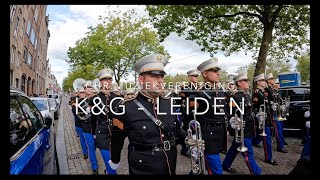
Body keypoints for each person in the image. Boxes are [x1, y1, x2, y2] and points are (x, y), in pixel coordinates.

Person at [108, 53, 187, 175]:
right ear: (141, 79)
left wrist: (188, 140)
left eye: (162, 76)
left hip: (169, 164)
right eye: (154, 76)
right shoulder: (126, 107)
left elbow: (175, 129)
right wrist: (115, 160)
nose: (160, 81)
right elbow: (117, 139)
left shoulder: (169, 103)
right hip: (142, 167)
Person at [188, 57, 229, 175]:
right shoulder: (198, 93)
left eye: (218, 71)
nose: (218, 74)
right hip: (207, 134)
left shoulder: (220, 91)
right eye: (215, 71)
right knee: (216, 169)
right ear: (205, 74)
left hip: (219, 132)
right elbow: (190, 116)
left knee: (199, 166)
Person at [222, 72, 262, 175]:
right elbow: (229, 112)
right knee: (249, 153)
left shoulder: (247, 95)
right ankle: (256, 172)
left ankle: (226, 165)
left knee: (234, 148)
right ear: (239, 83)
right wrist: (233, 121)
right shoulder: (234, 97)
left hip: (248, 128)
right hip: (242, 129)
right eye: (245, 81)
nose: (248, 83)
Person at [88, 68, 121, 175]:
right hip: (101, 132)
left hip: (115, 132)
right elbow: (93, 118)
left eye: (110, 80)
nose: (108, 82)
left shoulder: (117, 98)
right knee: (110, 164)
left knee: (114, 160)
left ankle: (107, 171)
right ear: (101, 82)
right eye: (105, 80)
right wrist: (93, 133)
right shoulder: (94, 99)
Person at [252, 73, 278, 165]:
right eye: (263, 80)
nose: (264, 82)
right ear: (258, 82)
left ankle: (253, 142)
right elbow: (255, 106)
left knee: (263, 136)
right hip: (262, 119)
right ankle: (268, 157)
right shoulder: (257, 93)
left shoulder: (262, 92)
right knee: (267, 139)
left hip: (267, 117)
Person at [74, 82, 99, 175]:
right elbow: (79, 116)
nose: (88, 89)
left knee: (97, 146)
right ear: (84, 90)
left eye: (90, 87)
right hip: (86, 128)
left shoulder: (97, 100)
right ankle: (94, 166)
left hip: (97, 128)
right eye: (86, 87)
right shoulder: (80, 102)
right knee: (91, 147)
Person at [178, 69, 200, 157]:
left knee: (195, 131)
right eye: (194, 76)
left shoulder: (199, 88)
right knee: (188, 130)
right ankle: (184, 149)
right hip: (188, 113)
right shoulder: (185, 88)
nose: (196, 78)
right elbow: (183, 101)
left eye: (196, 76)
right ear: (190, 78)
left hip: (197, 112)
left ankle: (193, 148)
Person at [265, 73, 287, 153]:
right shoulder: (267, 90)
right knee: (278, 130)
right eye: (272, 79)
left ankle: (282, 142)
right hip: (273, 113)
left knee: (280, 128)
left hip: (278, 112)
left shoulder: (273, 90)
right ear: (268, 81)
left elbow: (278, 100)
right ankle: (280, 146)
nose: (274, 81)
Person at [71, 88, 88, 159]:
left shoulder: (88, 100)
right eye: (81, 92)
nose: (83, 94)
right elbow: (75, 112)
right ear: (78, 93)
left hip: (88, 124)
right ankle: (85, 153)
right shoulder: (76, 102)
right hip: (79, 124)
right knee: (82, 139)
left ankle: (89, 151)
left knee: (89, 140)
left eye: (84, 92)